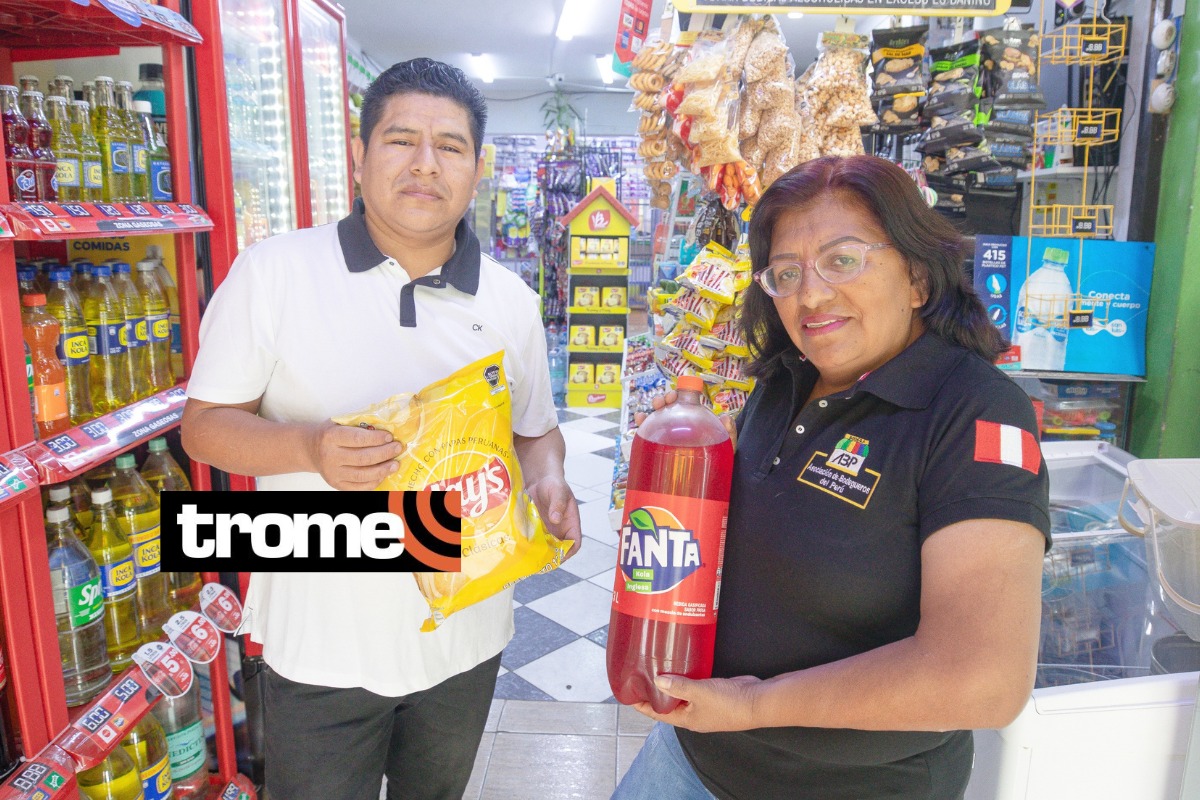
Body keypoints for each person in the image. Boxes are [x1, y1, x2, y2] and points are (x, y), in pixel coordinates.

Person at [180, 58, 580, 800]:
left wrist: (549, 475)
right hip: (319, 642)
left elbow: (536, 432)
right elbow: (203, 429)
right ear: (360, 156)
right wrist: (307, 447)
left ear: (477, 168)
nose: (426, 164)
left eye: (451, 146)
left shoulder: (511, 301)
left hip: (466, 634)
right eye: (401, 139)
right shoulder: (274, 274)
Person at [614, 155, 1050, 800]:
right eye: (785, 273)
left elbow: (980, 678)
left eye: (843, 260)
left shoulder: (976, 413)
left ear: (918, 278)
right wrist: (684, 467)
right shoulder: (782, 378)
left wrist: (753, 706)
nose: (810, 294)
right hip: (692, 759)